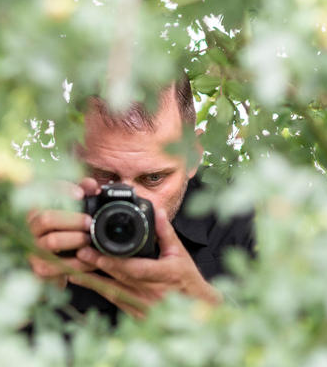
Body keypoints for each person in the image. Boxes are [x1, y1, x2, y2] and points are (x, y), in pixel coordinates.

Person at [24, 75, 255, 322]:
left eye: (154, 178)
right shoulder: (28, 215)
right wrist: (26, 293)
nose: (129, 201)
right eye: (103, 176)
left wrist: (205, 312)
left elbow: (291, 345)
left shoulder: (244, 214)